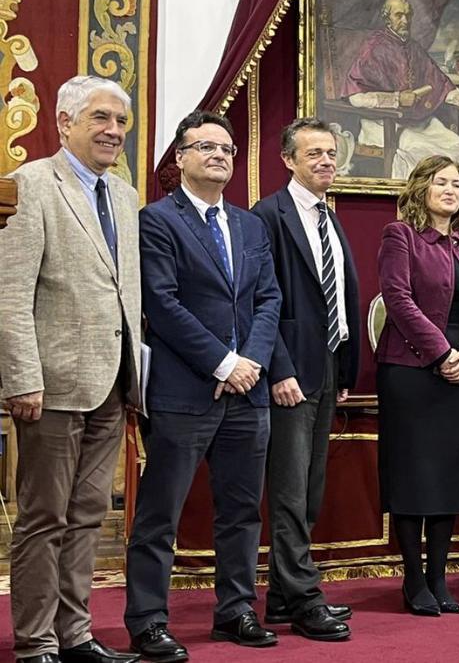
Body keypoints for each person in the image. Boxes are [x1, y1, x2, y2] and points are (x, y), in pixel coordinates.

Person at [125, 110, 282, 660]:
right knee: (159, 515)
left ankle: (236, 610)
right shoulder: (158, 221)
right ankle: (147, 620)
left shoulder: (249, 225)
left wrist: (251, 363)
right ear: (180, 157)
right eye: (206, 146)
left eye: (227, 148)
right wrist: (222, 363)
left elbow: (269, 300)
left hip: (249, 394)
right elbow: (160, 304)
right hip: (185, 392)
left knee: (241, 512)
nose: (219, 155)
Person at [0, 75, 142, 663]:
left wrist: (136, 376)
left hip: (111, 381)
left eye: (121, 122)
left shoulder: (127, 198)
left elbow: (124, 292)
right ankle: (35, 644)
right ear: (63, 123)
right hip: (51, 384)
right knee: (44, 518)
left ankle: (75, 635)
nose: (113, 131)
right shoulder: (31, 184)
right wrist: (21, 377)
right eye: (101, 119)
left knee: (87, 516)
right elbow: (10, 292)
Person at [250, 118, 360, 641]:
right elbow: (260, 301)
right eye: (313, 153)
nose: (325, 161)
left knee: (310, 489)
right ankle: (306, 597)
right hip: (288, 373)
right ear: (288, 160)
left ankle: (281, 600)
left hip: (326, 368)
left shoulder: (330, 218)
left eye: (331, 153)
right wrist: (279, 369)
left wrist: (345, 368)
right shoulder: (267, 215)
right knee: (291, 490)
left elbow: (340, 300)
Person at [376, 155, 459, 616]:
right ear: (422, 187)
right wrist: (442, 353)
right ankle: (412, 580)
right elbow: (397, 299)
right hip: (411, 372)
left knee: (449, 475)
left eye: (458, 184)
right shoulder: (401, 235)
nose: (451, 190)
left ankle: (439, 578)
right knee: (414, 476)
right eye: (442, 182)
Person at [340, 0, 459, 182]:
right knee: (429, 161)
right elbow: (356, 97)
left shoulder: (414, 48)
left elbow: (440, 84)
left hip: (421, 124)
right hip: (384, 126)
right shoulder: (374, 48)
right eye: (398, 15)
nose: (405, 20)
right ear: (387, 18)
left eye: (408, 15)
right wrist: (397, 99)